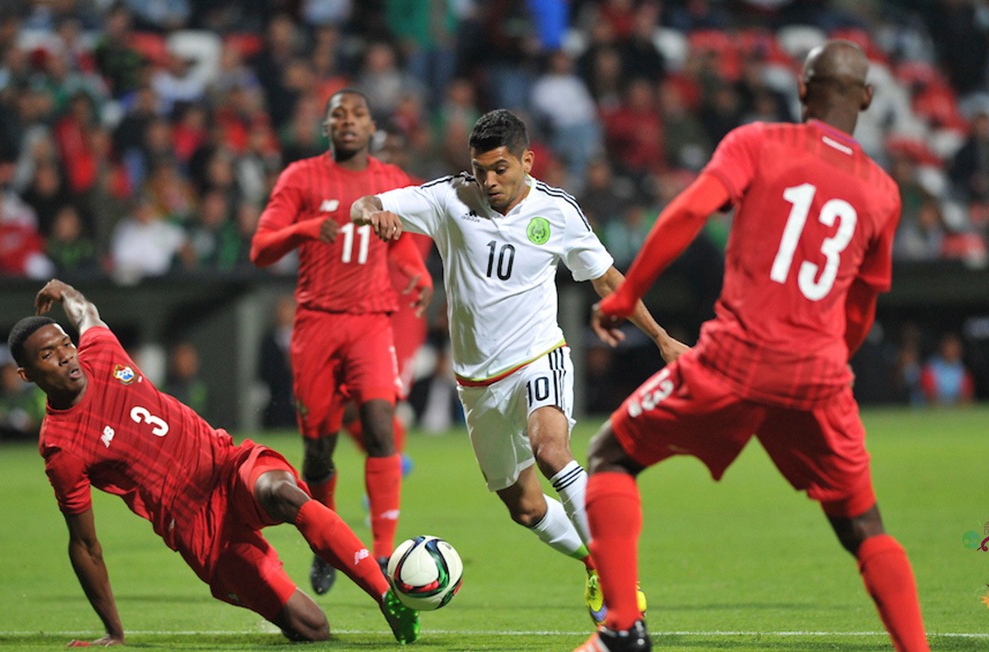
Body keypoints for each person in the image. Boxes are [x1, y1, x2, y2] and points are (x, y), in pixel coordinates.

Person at [579, 41, 929, 652]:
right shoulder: (883, 192)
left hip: (734, 360)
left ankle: (621, 630)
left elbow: (689, 211)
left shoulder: (758, 143)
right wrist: (830, 363)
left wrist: (625, 292)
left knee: (610, 456)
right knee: (864, 526)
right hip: (817, 377)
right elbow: (863, 305)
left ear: (802, 88)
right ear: (867, 99)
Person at [351, 108, 686, 624]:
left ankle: (621, 586)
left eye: (501, 168)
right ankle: (594, 561)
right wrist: (374, 213)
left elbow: (606, 278)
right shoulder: (449, 198)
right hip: (476, 384)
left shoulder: (559, 213)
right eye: (480, 169)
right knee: (525, 508)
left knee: (552, 451)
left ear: (528, 161)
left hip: (538, 358)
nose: (489, 181)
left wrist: (662, 339)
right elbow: (362, 202)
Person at [8, 279, 418, 646]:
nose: (66, 356)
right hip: (198, 529)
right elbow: (84, 544)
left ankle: (386, 595)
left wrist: (66, 293)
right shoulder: (62, 447)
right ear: (27, 375)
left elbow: (87, 314)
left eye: (65, 343)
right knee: (312, 628)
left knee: (279, 492)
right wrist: (114, 631)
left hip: (225, 465)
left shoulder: (100, 350)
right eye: (48, 355)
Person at [250, 88, 432, 595]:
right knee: (319, 454)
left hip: (372, 322)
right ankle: (327, 542)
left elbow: (398, 243)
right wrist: (308, 228)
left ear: (372, 127)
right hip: (317, 325)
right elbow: (261, 248)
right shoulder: (300, 177)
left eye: (358, 114)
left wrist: (418, 273)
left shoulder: (390, 181)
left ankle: (381, 554)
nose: (349, 121)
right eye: (339, 114)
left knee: (380, 426)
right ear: (325, 127)